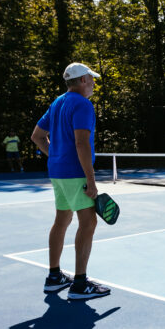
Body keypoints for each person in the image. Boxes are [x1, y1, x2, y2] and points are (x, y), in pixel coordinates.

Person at [30, 62, 111, 301]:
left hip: (57, 172)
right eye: (92, 79)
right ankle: (80, 283)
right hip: (76, 174)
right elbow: (81, 143)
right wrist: (91, 180)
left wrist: (56, 156)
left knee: (62, 220)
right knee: (88, 223)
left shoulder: (57, 103)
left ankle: (54, 277)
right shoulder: (83, 105)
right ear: (83, 80)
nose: (94, 84)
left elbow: (37, 136)